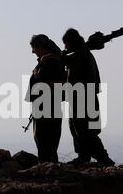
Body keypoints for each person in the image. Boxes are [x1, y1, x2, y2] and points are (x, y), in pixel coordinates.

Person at [60, 28, 115, 167]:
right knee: (76, 128)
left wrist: (55, 54)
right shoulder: (82, 53)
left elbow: (66, 60)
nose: (65, 46)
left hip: (84, 97)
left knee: (87, 130)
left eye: (66, 43)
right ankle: (83, 156)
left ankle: (103, 158)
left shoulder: (82, 54)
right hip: (78, 97)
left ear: (71, 42)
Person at [25, 34, 64, 163]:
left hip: (49, 105)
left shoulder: (52, 62)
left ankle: (48, 167)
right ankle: (46, 166)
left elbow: (58, 82)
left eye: (34, 48)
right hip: (41, 105)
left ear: (40, 46)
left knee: (47, 139)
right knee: (42, 139)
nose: (32, 51)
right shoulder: (44, 62)